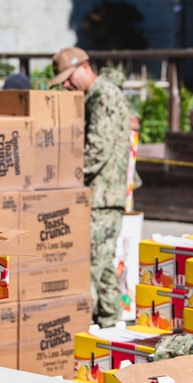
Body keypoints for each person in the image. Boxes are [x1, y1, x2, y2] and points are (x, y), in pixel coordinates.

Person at [52, 46, 134, 328]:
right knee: (103, 264)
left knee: (90, 265)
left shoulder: (103, 95)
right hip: (102, 196)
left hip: (102, 196)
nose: (65, 85)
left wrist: (66, 180)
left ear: (84, 67)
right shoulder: (95, 97)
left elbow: (98, 149)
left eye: (67, 77)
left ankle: (82, 328)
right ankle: (111, 325)